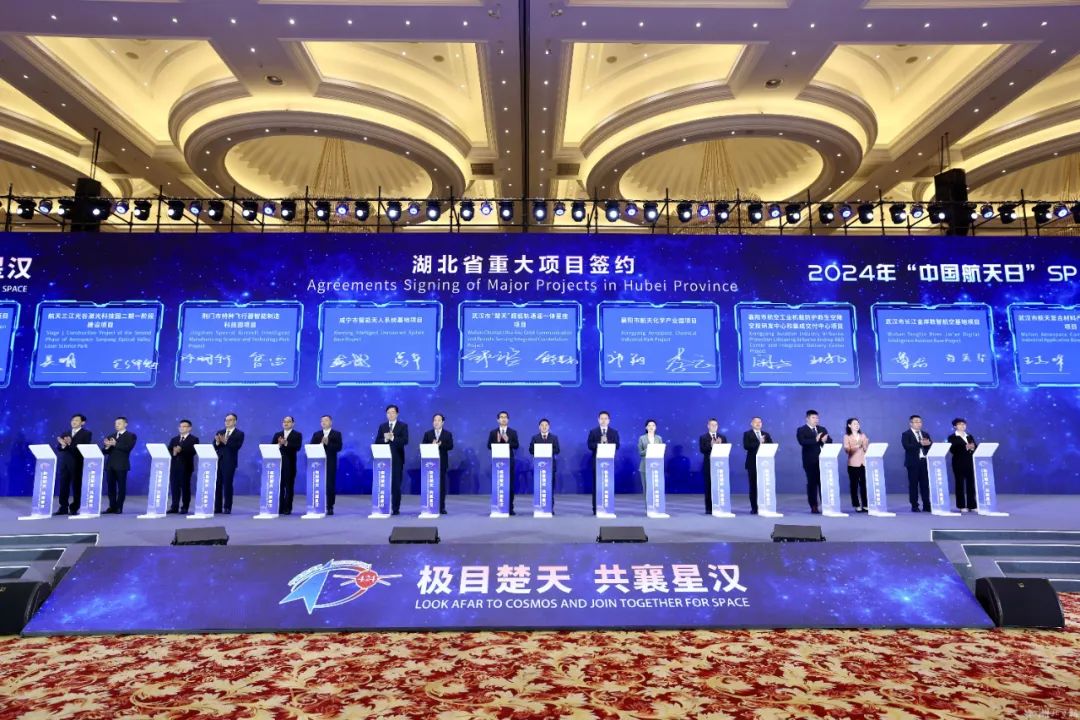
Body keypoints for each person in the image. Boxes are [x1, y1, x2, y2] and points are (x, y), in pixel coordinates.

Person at [375, 405, 409, 515]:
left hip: (397, 460)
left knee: (396, 485)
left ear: (397, 414)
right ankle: (383, 507)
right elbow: (377, 442)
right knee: (383, 484)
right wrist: (385, 439)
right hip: (383, 460)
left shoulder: (403, 426)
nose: (390, 414)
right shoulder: (382, 426)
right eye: (388, 412)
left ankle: (395, 508)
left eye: (393, 412)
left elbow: (405, 441)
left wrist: (392, 438)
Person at [54, 414, 92, 516]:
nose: (73, 422)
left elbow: (83, 448)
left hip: (77, 463)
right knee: (63, 486)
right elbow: (59, 448)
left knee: (76, 486)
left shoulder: (86, 433)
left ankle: (74, 508)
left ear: (82, 422)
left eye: (76, 420)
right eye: (72, 420)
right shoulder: (65, 433)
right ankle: (63, 507)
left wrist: (70, 444)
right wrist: (63, 445)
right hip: (65, 464)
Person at [796, 410, 831, 514]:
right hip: (810, 461)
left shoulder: (822, 429)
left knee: (823, 483)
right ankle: (814, 506)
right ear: (807, 418)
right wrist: (815, 440)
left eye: (817, 418)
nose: (816, 420)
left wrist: (825, 441)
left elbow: (830, 441)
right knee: (812, 483)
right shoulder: (801, 430)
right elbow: (802, 442)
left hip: (823, 461)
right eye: (813, 418)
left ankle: (826, 505)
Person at [587, 411, 620, 515]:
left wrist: (608, 444)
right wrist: (600, 444)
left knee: (608, 485)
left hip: (609, 463)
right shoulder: (593, 432)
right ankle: (596, 508)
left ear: (609, 420)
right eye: (601, 418)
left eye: (606, 418)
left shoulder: (614, 432)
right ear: (598, 420)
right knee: (596, 485)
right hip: (597, 463)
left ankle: (608, 507)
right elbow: (589, 445)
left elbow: (617, 445)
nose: (603, 420)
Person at [486, 410, 519, 515]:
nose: (503, 419)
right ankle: (497, 506)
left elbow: (516, 445)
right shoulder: (493, 432)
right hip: (497, 462)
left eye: (505, 417)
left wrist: (507, 440)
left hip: (509, 461)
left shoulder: (512, 432)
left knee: (510, 485)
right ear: (498, 420)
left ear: (508, 420)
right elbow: (489, 445)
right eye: (501, 417)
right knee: (498, 484)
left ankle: (510, 508)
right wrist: (498, 443)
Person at [102, 416, 137, 514]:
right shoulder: (111, 435)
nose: (117, 425)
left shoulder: (131, 435)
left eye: (119, 423)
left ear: (125, 424)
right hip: (110, 465)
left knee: (121, 487)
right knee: (110, 487)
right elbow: (104, 451)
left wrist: (115, 444)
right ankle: (112, 506)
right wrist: (107, 447)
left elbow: (127, 448)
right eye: (115, 424)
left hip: (121, 465)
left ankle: (119, 507)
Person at [421, 413, 454, 514]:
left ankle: (441, 507)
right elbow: (423, 446)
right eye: (435, 420)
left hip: (442, 463)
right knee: (430, 485)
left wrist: (440, 444)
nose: (436, 422)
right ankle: (429, 506)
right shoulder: (428, 434)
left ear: (442, 422)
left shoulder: (447, 434)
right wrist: (431, 445)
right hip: (429, 463)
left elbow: (450, 446)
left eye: (439, 420)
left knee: (441, 486)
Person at [310, 415, 342, 515]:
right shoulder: (317, 434)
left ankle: (330, 506)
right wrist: (319, 445)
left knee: (330, 485)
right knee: (317, 484)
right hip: (317, 463)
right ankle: (317, 505)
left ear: (330, 422)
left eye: (326, 420)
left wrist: (328, 443)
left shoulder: (336, 434)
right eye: (322, 421)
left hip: (330, 462)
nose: (324, 422)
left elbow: (339, 447)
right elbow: (311, 447)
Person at [214, 412, 244, 514]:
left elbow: (237, 447)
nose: (227, 422)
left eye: (230, 420)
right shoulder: (220, 432)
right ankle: (217, 507)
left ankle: (227, 507)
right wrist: (217, 442)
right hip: (219, 461)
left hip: (230, 462)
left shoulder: (239, 433)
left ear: (235, 421)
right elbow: (215, 445)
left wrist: (226, 442)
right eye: (226, 420)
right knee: (217, 484)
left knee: (227, 484)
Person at [901, 414, 932, 512]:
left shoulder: (925, 434)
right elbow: (907, 446)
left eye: (920, 422)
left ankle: (927, 504)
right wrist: (920, 444)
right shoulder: (906, 434)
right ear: (911, 423)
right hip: (913, 463)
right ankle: (914, 505)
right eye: (916, 422)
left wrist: (928, 444)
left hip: (924, 462)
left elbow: (930, 445)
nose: (919, 424)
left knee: (925, 485)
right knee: (913, 485)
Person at [529, 418, 560, 514]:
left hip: (550, 467)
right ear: (539, 427)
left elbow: (557, 450)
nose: (544, 427)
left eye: (546, 425)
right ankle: (539, 507)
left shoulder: (554, 437)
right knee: (539, 487)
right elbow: (531, 450)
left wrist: (546, 450)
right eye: (542, 425)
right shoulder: (535, 438)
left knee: (550, 488)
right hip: (539, 467)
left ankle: (550, 508)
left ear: (549, 427)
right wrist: (540, 450)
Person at [741, 416, 772, 515]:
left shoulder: (766, 434)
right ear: (752, 423)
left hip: (765, 464)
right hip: (752, 464)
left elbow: (771, 446)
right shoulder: (747, 434)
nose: (758, 424)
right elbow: (746, 446)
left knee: (764, 486)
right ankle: (754, 508)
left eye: (760, 422)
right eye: (756, 422)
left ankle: (765, 506)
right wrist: (759, 442)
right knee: (753, 486)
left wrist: (765, 444)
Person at [167, 419, 198, 514]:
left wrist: (181, 450)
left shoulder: (194, 439)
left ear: (189, 428)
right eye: (180, 426)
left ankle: (185, 507)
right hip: (174, 467)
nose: (182, 428)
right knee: (174, 487)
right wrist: (174, 452)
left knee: (185, 487)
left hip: (186, 467)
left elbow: (193, 452)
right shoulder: (174, 439)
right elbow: (169, 450)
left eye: (184, 426)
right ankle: (174, 506)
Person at [948, 418, 978, 513]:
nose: (962, 426)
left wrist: (972, 447)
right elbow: (952, 449)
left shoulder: (969, 436)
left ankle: (972, 505)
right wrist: (965, 447)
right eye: (960, 424)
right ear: (955, 426)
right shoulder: (952, 437)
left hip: (970, 462)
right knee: (960, 484)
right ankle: (961, 505)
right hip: (958, 463)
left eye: (964, 424)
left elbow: (975, 446)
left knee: (971, 484)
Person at [698, 418, 728, 514]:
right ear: (708, 426)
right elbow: (702, 450)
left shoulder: (722, 437)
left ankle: (721, 506)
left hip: (720, 465)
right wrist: (711, 445)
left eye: (715, 425)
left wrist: (720, 446)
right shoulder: (703, 437)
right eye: (712, 425)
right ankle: (709, 508)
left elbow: (725, 450)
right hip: (708, 465)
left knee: (720, 486)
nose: (714, 426)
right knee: (709, 486)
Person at [273, 416, 302, 515]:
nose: (286, 423)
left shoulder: (297, 435)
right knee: (279, 487)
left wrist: (286, 443)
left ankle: (287, 508)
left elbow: (297, 447)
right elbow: (271, 446)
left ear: (293, 424)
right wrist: (278, 445)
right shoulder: (278, 434)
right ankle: (280, 507)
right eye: (284, 422)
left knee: (289, 487)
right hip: (278, 464)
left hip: (290, 464)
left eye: (288, 422)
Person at [843, 418, 870, 513]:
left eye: (858, 423)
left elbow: (866, 450)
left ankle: (865, 504)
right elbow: (847, 450)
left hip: (863, 463)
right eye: (855, 424)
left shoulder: (863, 435)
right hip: (853, 464)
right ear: (849, 425)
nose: (857, 425)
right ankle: (856, 504)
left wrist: (865, 445)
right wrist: (857, 446)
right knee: (854, 485)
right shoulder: (847, 436)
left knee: (864, 485)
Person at [637, 420, 663, 507]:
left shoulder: (659, 438)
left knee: (656, 487)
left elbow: (661, 451)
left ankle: (657, 506)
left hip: (656, 466)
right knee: (647, 488)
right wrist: (649, 448)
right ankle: (648, 507)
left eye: (653, 425)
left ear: (655, 427)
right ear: (646, 427)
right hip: (644, 466)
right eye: (649, 425)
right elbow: (640, 453)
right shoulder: (642, 438)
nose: (651, 427)